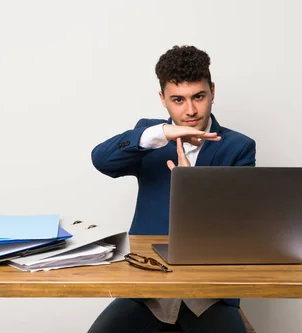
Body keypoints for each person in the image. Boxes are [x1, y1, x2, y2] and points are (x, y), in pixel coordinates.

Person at [88, 45, 255, 333]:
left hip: (208, 293)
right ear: (162, 99)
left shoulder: (238, 147)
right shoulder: (148, 137)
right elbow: (102, 161)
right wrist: (160, 134)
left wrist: (191, 187)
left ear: (212, 91)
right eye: (178, 99)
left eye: (198, 97)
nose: (190, 110)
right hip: (147, 289)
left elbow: (241, 224)